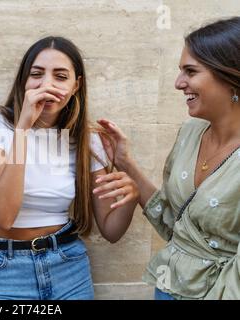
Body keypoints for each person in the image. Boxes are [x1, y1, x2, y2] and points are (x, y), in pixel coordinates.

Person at [0, 36, 139, 300]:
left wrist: (131, 194)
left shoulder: (86, 139)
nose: (47, 84)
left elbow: (111, 231)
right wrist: (23, 128)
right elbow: (2, 216)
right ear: (24, 81)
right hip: (6, 269)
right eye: (36, 74)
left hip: (68, 265)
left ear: (76, 85)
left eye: (60, 76)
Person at [96, 17, 240, 300]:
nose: (178, 83)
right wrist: (126, 164)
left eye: (190, 71)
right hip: (167, 289)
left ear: (231, 76)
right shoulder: (191, 132)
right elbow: (176, 223)